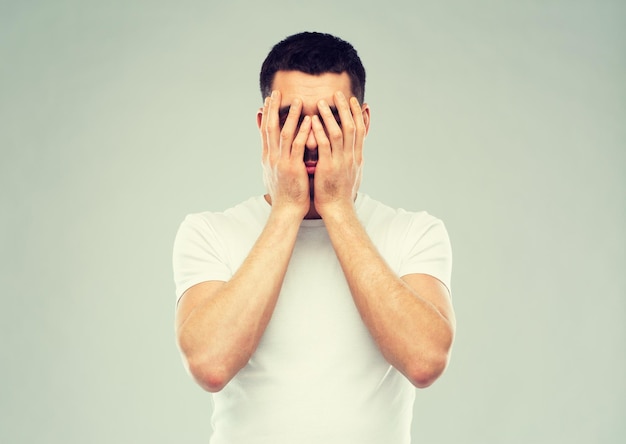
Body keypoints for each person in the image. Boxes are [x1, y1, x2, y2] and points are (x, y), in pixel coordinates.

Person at [172, 31, 456, 444]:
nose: (309, 141)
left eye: (330, 119)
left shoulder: (415, 232)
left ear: (364, 123)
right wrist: (287, 208)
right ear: (263, 124)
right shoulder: (209, 232)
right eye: (291, 119)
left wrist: (337, 208)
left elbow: (425, 361)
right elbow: (210, 365)